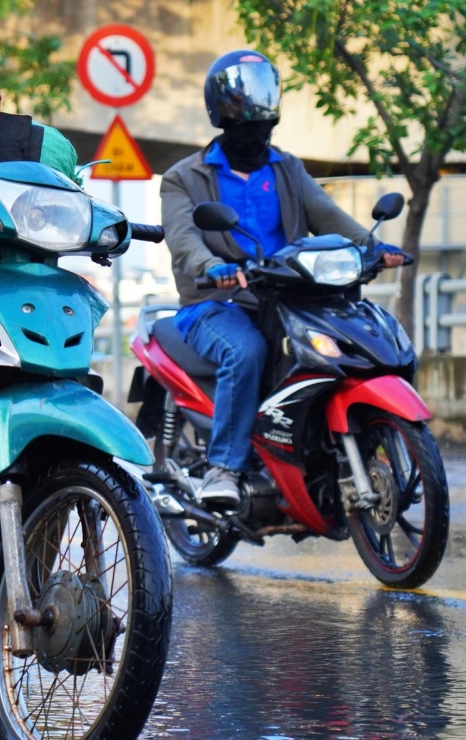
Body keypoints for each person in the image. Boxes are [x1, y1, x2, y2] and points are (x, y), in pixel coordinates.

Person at [161, 50, 407, 505]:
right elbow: (183, 238)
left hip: (287, 298)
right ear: (220, 112)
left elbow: (328, 216)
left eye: (262, 113)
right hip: (216, 303)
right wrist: (212, 268)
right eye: (241, 111)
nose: (254, 124)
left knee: (351, 342)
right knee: (247, 349)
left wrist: (373, 248)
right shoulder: (183, 178)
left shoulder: (287, 167)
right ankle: (224, 468)